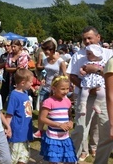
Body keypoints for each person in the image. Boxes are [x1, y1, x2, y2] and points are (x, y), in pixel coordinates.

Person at [67, 26, 113, 163]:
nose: (87, 41)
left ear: (98, 37)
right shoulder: (78, 55)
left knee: (106, 132)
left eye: (89, 38)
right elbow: (72, 76)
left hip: (105, 96)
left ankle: (100, 161)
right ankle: (72, 159)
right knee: (80, 130)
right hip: (85, 96)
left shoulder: (109, 53)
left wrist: (97, 70)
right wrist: (85, 86)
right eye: (84, 39)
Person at [39, 75, 77, 163]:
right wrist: (59, 125)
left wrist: (71, 122)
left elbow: (70, 116)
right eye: (62, 89)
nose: (66, 91)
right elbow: (42, 118)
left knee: (69, 159)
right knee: (53, 160)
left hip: (65, 137)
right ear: (54, 88)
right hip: (53, 137)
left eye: (67, 89)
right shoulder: (48, 102)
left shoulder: (67, 101)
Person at [33, 38, 66, 138]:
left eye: (47, 50)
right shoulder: (45, 60)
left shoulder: (60, 61)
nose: (45, 52)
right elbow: (45, 72)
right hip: (45, 88)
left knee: (54, 112)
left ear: (52, 49)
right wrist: (43, 78)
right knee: (42, 110)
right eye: (44, 50)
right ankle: (40, 130)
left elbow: (65, 75)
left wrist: (64, 87)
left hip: (55, 90)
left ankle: (54, 131)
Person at [5, 68, 34, 164]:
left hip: (26, 131)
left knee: (24, 156)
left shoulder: (25, 93)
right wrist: (7, 128)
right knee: (14, 157)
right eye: (30, 82)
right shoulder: (14, 95)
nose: (31, 84)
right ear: (22, 82)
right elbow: (9, 114)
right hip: (17, 132)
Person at [78, 44, 106, 115]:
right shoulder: (87, 62)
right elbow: (82, 67)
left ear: (96, 54)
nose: (87, 56)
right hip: (88, 80)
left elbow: (105, 70)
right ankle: (83, 105)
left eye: (89, 54)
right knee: (84, 92)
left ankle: (97, 104)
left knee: (102, 93)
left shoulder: (102, 62)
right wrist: (82, 71)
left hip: (98, 81)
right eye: (87, 54)